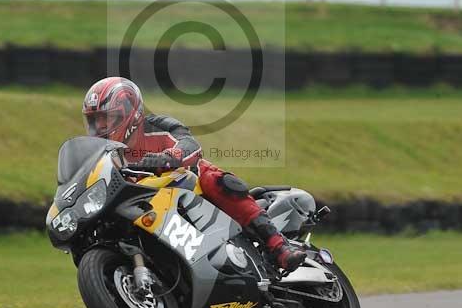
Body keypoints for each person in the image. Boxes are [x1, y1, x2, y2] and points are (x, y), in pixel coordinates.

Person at [82, 76, 305, 272]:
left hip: (185, 189)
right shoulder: (104, 154)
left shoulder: (157, 126)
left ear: (129, 111)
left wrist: (166, 158)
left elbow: (190, 145)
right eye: (94, 121)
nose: (99, 127)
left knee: (211, 176)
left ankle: (279, 247)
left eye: (106, 118)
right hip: (145, 208)